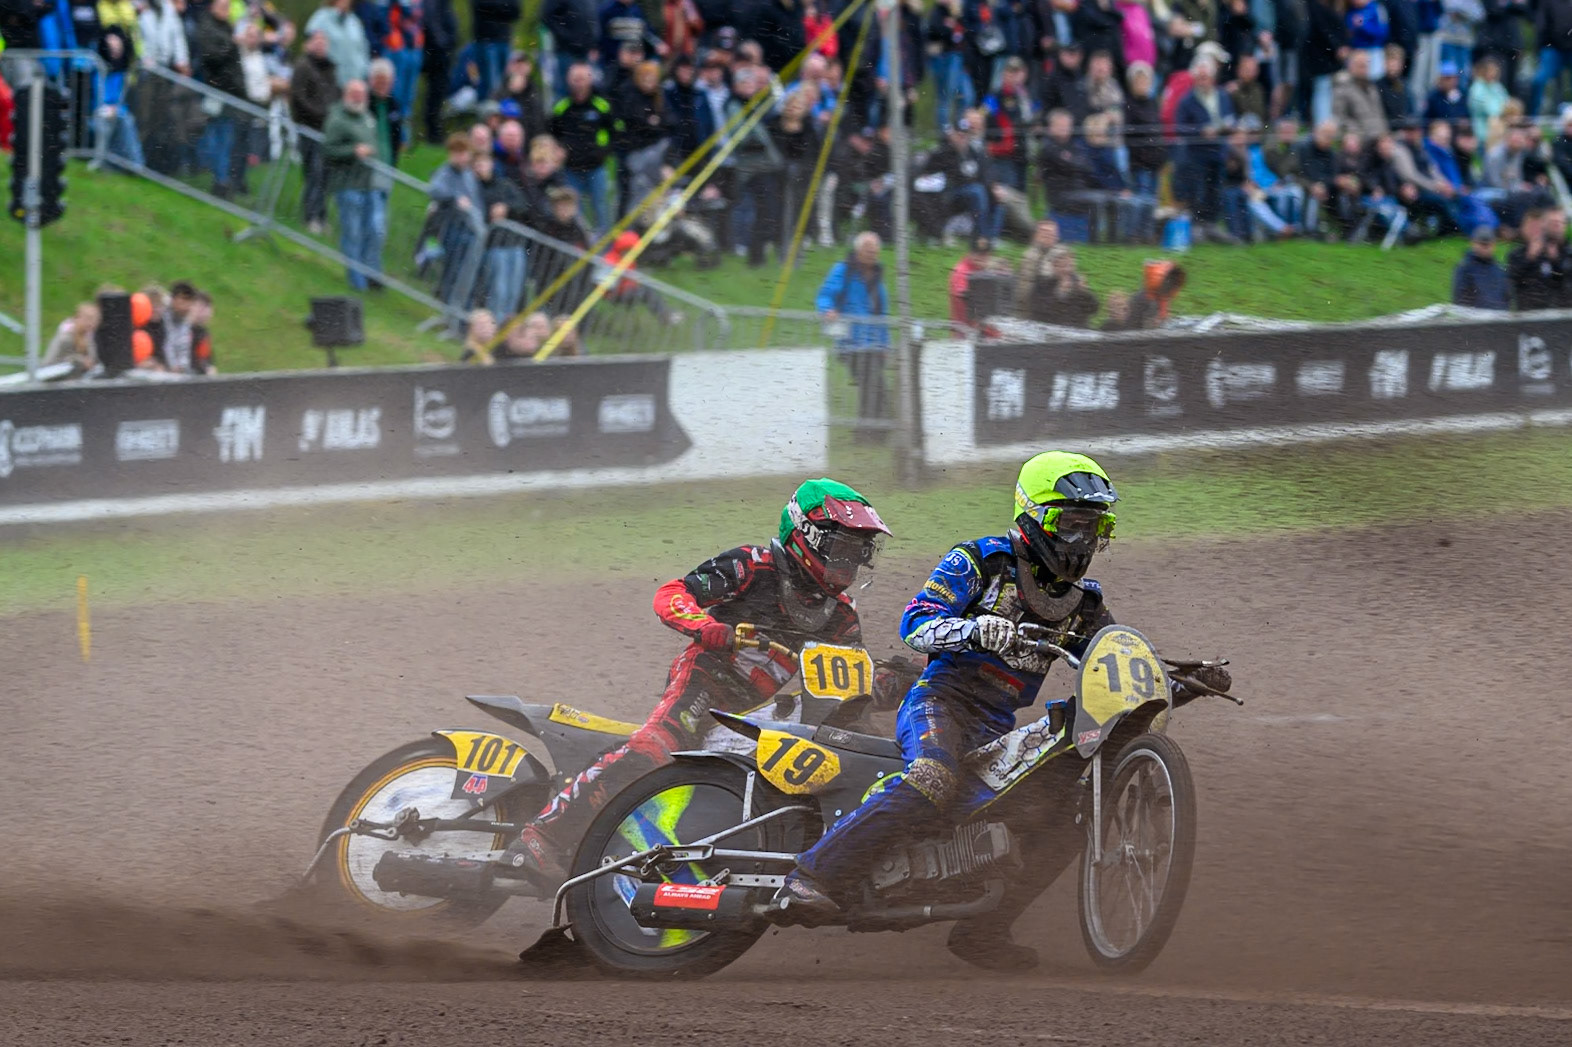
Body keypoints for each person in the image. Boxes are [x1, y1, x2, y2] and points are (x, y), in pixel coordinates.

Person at [775, 454, 1232, 966]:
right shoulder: (980, 561)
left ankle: (981, 932)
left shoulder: (1085, 603)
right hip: (939, 701)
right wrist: (972, 629)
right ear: (1033, 516)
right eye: (1071, 524)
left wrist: (1179, 683)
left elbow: (1112, 667)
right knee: (931, 778)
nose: (1082, 540)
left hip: (995, 725)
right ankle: (810, 876)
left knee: (1066, 820)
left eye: (1094, 527)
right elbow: (915, 623)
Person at [499, 479, 905, 886]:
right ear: (806, 537)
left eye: (859, 552)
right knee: (655, 747)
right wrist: (703, 625)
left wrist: (900, 681)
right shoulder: (753, 565)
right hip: (705, 679)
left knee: (838, 746)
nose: (850, 563)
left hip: (753, 708)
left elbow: (845, 683)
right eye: (842, 548)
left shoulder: (841, 615)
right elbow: (672, 593)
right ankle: (540, 837)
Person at [817, 232, 891, 439]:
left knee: (873, 386)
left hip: (873, 343)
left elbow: (881, 313)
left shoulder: (877, 276)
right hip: (851, 342)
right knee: (871, 385)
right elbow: (825, 294)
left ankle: (872, 432)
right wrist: (827, 310)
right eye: (868, 251)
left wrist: (885, 344)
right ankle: (869, 432)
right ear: (858, 251)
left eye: (875, 252)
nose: (872, 255)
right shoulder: (843, 270)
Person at [324, 79, 385, 292]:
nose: (358, 98)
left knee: (375, 230)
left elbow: (374, 143)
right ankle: (358, 281)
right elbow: (328, 149)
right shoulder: (337, 119)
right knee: (353, 232)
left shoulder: (368, 117)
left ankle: (373, 275)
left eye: (362, 94)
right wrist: (352, 151)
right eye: (354, 93)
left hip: (369, 185)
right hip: (348, 185)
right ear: (346, 94)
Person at [550, 62, 621, 234]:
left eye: (582, 79)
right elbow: (552, 134)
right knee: (575, 215)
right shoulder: (561, 107)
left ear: (589, 80)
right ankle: (579, 246)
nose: (578, 83)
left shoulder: (601, 105)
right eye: (575, 79)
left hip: (596, 168)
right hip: (570, 169)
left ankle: (605, 248)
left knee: (602, 211)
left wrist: (603, 152)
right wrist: (559, 150)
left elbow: (616, 133)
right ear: (568, 80)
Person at [292, 30, 337, 234]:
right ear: (309, 44)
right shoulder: (303, 66)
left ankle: (321, 215)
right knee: (314, 173)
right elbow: (299, 98)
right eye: (316, 41)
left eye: (323, 42)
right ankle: (311, 216)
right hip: (309, 128)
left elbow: (333, 97)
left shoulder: (330, 69)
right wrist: (320, 115)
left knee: (324, 175)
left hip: (326, 131)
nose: (320, 45)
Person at [1507, 207, 1566, 310]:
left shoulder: (1549, 252)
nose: (1534, 231)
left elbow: (1560, 281)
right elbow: (1513, 279)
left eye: (1538, 227)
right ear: (1523, 228)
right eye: (1531, 227)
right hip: (1526, 311)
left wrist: (1554, 261)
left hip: (1551, 310)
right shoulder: (1516, 254)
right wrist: (1529, 258)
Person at [305, 0, 369, 87]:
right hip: (330, 83)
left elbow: (363, 49)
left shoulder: (354, 21)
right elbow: (310, 46)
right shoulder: (321, 18)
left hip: (355, 84)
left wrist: (363, 73)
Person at [1452, 224, 1508, 308]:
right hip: (1475, 315)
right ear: (1473, 243)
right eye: (1482, 244)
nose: (1485, 248)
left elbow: (1506, 298)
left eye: (1488, 244)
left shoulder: (1500, 269)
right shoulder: (1464, 268)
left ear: (1494, 245)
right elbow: (1460, 300)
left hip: (1499, 315)